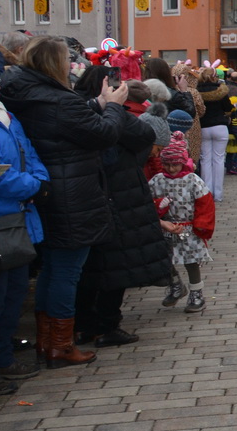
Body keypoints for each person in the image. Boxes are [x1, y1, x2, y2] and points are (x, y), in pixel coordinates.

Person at [0, 39, 129, 368]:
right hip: (73, 192)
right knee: (66, 272)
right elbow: (102, 134)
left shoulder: (22, 93)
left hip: (50, 190)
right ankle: (60, 344)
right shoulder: (57, 99)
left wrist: (98, 103)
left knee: (52, 270)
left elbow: (67, 126)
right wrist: (113, 106)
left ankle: (48, 341)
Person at [74, 70, 172, 349]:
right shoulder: (106, 114)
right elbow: (143, 133)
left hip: (91, 195)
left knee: (88, 267)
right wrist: (114, 108)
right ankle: (107, 325)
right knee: (114, 264)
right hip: (118, 195)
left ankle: (85, 325)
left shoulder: (75, 110)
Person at [0, 59, 47, 394]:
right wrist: (31, 187)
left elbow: (28, 153)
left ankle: (3, 357)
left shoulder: (5, 116)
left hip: (19, 219)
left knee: (13, 296)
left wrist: (38, 180)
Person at [150, 132, 215, 314]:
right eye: (167, 164)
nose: (171, 169)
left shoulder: (193, 180)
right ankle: (176, 284)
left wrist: (202, 224)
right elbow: (148, 201)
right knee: (164, 258)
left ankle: (196, 294)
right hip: (166, 227)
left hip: (189, 228)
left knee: (191, 261)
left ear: (183, 161)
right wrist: (158, 207)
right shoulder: (157, 181)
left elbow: (205, 204)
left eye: (175, 164)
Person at [196, 65, 233, 200]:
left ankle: (207, 193)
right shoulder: (221, 91)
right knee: (219, 160)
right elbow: (228, 108)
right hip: (220, 127)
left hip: (204, 127)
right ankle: (219, 194)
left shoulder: (196, 91)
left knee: (205, 160)